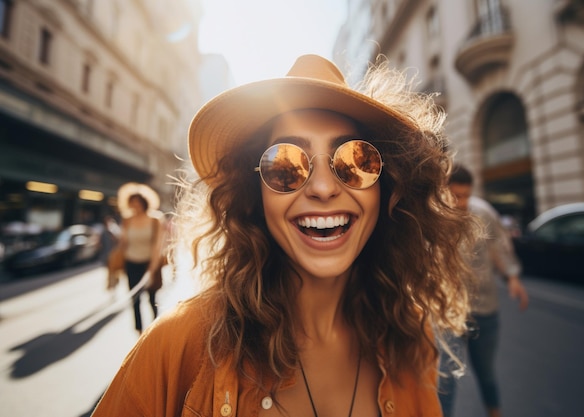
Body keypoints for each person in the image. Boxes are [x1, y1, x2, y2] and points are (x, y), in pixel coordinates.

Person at [91, 54, 477, 417]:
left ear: (387, 187)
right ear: (254, 194)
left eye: (357, 160)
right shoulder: (180, 343)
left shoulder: (410, 337)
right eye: (284, 164)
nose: (323, 188)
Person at [438, 164, 529, 417]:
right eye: (455, 196)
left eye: (466, 195)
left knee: (486, 373)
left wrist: (512, 277)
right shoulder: (434, 218)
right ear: (443, 191)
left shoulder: (483, 213)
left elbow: (499, 247)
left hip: (484, 309)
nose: (462, 202)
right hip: (447, 313)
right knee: (444, 380)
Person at [117, 182, 164, 334]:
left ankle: (155, 329)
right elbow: (123, 245)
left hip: (149, 264)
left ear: (145, 203)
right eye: (132, 203)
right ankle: (139, 331)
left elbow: (157, 247)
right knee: (134, 300)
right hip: (131, 263)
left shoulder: (155, 220)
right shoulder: (127, 220)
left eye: (138, 203)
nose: (135, 206)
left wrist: (151, 269)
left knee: (152, 299)